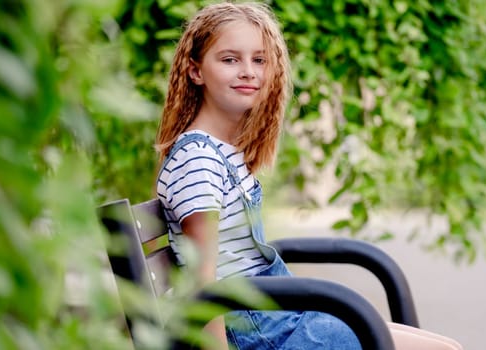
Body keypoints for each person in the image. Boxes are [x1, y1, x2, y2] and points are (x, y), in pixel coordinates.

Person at [155, 2, 463, 349]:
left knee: (442, 345)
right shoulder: (198, 159)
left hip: (277, 317)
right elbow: (203, 285)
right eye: (229, 60)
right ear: (196, 71)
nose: (248, 71)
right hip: (257, 332)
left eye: (259, 60)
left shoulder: (222, 152)